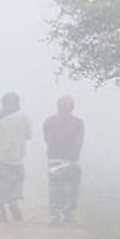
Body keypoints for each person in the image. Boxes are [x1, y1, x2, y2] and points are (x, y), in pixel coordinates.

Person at [0, 92, 31, 221]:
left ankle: (2, 212)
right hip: (17, 158)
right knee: (16, 183)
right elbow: (29, 136)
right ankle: (13, 202)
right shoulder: (24, 118)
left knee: (0, 186)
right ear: (17, 103)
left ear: (3, 103)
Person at [43, 94, 84, 225]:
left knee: (56, 187)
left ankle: (57, 214)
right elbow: (79, 142)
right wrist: (73, 154)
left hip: (55, 158)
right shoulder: (78, 123)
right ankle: (67, 213)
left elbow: (48, 140)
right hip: (69, 159)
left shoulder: (49, 121)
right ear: (72, 107)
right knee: (70, 187)